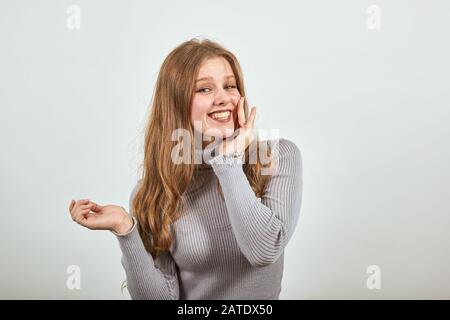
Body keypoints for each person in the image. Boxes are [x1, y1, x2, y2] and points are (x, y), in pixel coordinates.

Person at [69, 38, 303, 299]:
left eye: (230, 85)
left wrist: (228, 162)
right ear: (176, 103)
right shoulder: (154, 194)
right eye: (204, 90)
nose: (223, 98)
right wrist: (125, 229)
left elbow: (264, 250)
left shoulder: (277, 157)